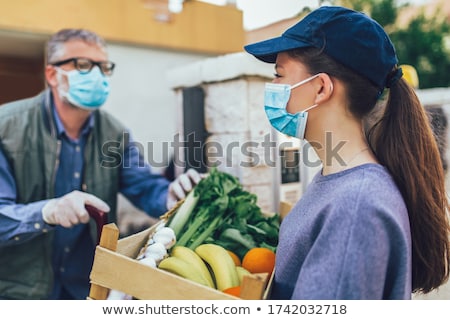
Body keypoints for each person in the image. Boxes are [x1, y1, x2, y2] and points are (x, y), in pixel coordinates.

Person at [245, 6, 450, 299]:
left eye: (279, 75)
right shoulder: (339, 181)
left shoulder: (355, 207)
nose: (273, 86)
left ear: (321, 88)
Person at [0, 28, 200, 300]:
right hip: (20, 291)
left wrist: (171, 195)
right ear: (52, 75)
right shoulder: (6, 128)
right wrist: (47, 211)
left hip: (88, 286)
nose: (96, 75)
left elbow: (144, 186)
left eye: (103, 67)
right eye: (83, 65)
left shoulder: (114, 133)